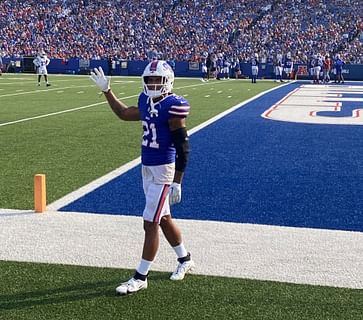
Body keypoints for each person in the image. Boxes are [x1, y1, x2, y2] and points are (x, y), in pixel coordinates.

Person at [90, 60, 194, 295]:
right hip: (147, 167)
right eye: (150, 79)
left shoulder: (173, 106)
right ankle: (185, 259)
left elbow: (183, 147)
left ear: (168, 81)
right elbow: (124, 113)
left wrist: (177, 180)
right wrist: (107, 91)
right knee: (164, 218)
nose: (154, 83)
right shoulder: (145, 101)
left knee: (150, 223)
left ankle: (141, 276)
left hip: (163, 170)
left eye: (158, 79)